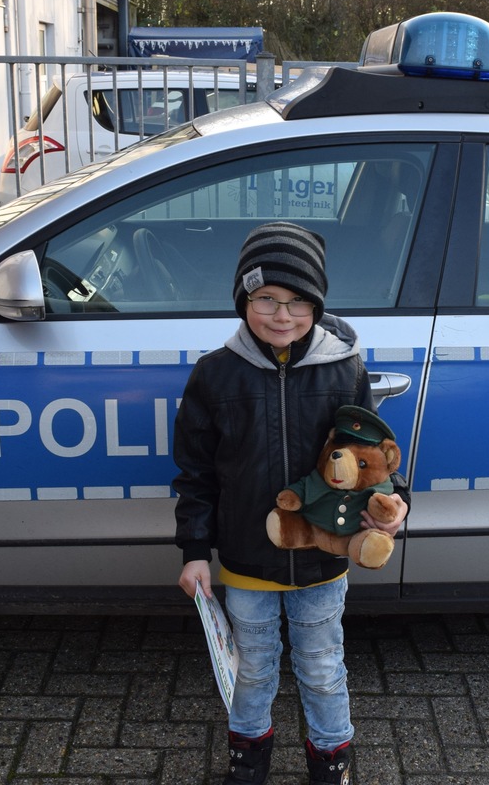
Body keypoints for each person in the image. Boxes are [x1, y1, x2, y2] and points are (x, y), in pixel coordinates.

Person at [173, 221, 409, 785]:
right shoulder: (213, 374)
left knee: (323, 667)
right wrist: (194, 550)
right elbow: (195, 474)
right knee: (252, 670)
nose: (282, 315)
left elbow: (369, 457)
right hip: (246, 559)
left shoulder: (343, 367)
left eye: (299, 302)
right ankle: (248, 756)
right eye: (266, 300)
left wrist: (390, 502)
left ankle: (331, 758)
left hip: (324, 562)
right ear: (243, 300)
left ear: (318, 305)